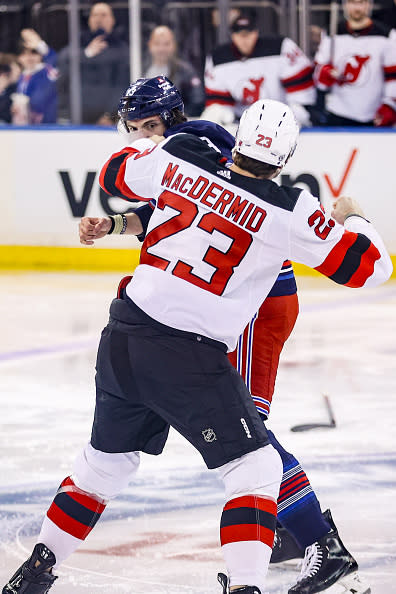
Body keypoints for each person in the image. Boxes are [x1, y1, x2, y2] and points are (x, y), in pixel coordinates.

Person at [3, 94, 392, 594]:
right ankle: (258, 578)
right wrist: (354, 217)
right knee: (255, 467)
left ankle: (34, 572)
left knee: (103, 465)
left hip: (124, 333)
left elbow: (114, 176)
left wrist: (152, 155)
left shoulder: (181, 153)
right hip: (190, 351)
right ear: (286, 157)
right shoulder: (289, 208)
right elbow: (370, 268)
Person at [202, 9, 316, 128]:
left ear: (256, 33)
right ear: (233, 36)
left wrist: (291, 119)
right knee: (214, 115)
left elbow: (302, 98)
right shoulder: (217, 58)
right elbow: (219, 103)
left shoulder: (281, 48)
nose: (244, 40)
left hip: (280, 122)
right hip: (242, 124)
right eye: (240, 35)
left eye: (248, 34)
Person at [314, 0, 396, 126]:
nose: (357, 7)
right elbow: (318, 72)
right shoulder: (332, 33)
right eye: (352, 2)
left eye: (362, 2)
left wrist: (389, 106)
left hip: (374, 115)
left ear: (370, 4)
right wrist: (326, 72)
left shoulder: (387, 35)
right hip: (338, 113)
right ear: (345, 4)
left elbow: (393, 78)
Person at [57, 2, 130, 124]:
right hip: (78, 115)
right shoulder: (78, 43)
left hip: (108, 119)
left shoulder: (121, 48)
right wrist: (86, 54)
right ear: (89, 20)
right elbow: (62, 62)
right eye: (95, 15)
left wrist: (110, 115)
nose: (99, 19)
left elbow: (122, 84)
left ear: (112, 20)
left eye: (104, 15)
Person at [144, 25, 205, 116]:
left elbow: (198, 100)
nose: (161, 49)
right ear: (150, 45)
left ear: (174, 45)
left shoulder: (186, 71)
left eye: (166, 44)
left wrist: (178, 118)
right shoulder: (138, 69)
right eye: (157, 43)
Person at [11, 41, 57, 125]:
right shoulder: (22, 76)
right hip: (28, 127)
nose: (29, 58)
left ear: (40, 55)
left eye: (33, 53)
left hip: (47, 126)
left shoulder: (47, 71)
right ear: (19, 57)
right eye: (24, 54)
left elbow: (56, 62)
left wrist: (41, 46)